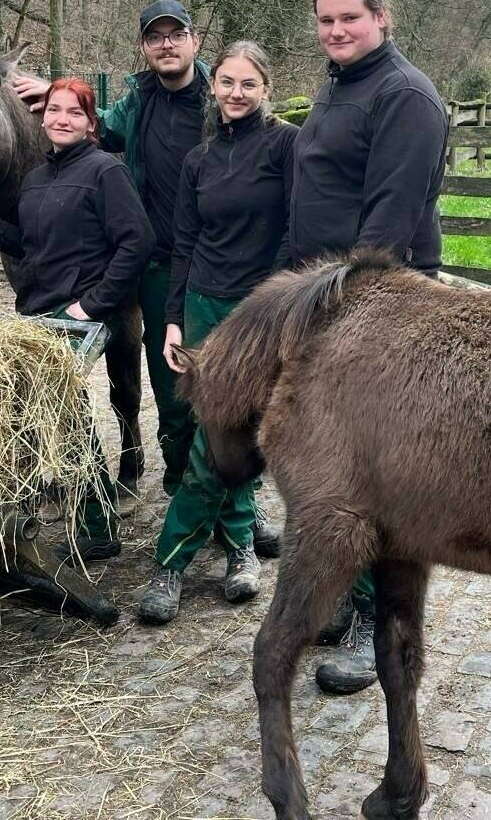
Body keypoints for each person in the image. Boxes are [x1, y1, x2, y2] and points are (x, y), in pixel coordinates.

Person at [14, 1, 283, 556]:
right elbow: (93, 129)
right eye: (154, 37)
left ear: (193, 39)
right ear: (144, 47)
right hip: (155, 265)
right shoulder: (135, 102)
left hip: (219, 274)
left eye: (175, 35)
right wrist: (56, 100)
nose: (166, 45)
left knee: (219, 396)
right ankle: (186, 493)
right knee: (173, 397)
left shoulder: (221, 97)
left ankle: (237, 507)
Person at [288, 0, 449, 694]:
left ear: (383, 18)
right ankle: (340, 598)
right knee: (334, 470)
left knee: (375, 478)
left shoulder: (405, 97)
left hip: (380, 312)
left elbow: (386, 233)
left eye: (349, 18)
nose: (336, 31)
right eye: (325, 21)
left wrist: (339, 311)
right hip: (330, 303)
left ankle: (373, 625)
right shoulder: (339, 86)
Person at [137, 42, 297, 623]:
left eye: (247, 84)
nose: (235, 93)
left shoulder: (285, 147)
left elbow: (290, 232)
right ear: (214, 86)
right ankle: (240, 549)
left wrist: (273, 303)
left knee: (224, 441)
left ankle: (171, 563)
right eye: (227, 82)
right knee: (216, 432)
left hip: (257, 311)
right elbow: (185, 242)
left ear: (265, 90)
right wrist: (175, 315)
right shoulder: (198, 161)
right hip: (203, 304)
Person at [0, 78, 153, 562]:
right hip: (43, 311)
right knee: (20, 399)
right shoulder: (36, 180)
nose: (62, 119)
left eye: (75, 113)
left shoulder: (104, 172)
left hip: (91, 313)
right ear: (43, 117)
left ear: (91, 124)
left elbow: (137, 242)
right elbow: (34, 249)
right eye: (54, 110)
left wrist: (93, 304)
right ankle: (31, 510)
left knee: (60, 406)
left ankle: (98, 526)